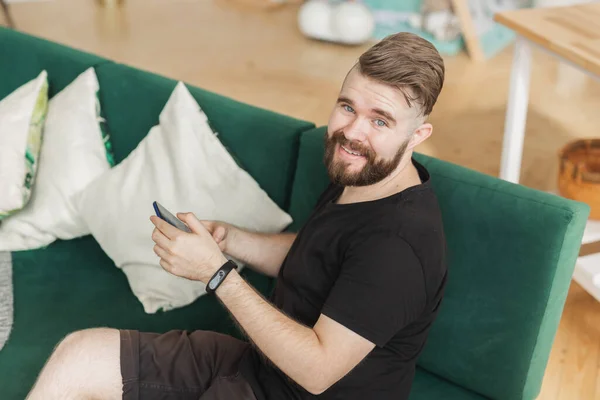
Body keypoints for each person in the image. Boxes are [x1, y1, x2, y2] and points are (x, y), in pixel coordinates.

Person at [26, 31, 447, 400]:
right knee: (78, 357)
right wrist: (229, 240)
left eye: (380, 120)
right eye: (347, 107)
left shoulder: (399, 247)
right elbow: (321, 259)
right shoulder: (364, 172)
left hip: (302, 389)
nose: (353, 132)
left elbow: (318, 371)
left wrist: (217, 273)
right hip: (259, 367)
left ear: (417, 136)